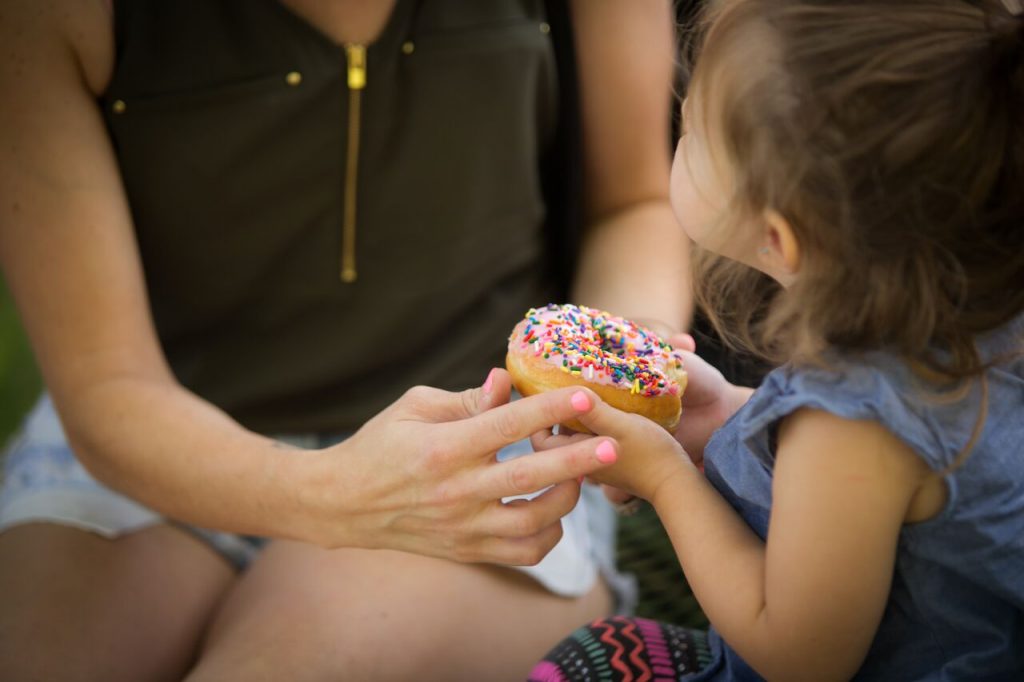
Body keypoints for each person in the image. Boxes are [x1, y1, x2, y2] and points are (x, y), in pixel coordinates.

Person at [0, 0, 692, 679]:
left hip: (482, 437)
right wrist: (330, 492)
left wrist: (614, 356)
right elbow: (107, 383)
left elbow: (633, 204)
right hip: (159, 439)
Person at [529, 0, 1024, 679]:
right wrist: (730, 414)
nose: (679, 128)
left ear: (778, 235)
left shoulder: (852, 421)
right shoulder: (976, 325)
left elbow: (797, 655)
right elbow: (869, 499)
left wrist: (667, 480)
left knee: (590, 660)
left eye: (692, 128)